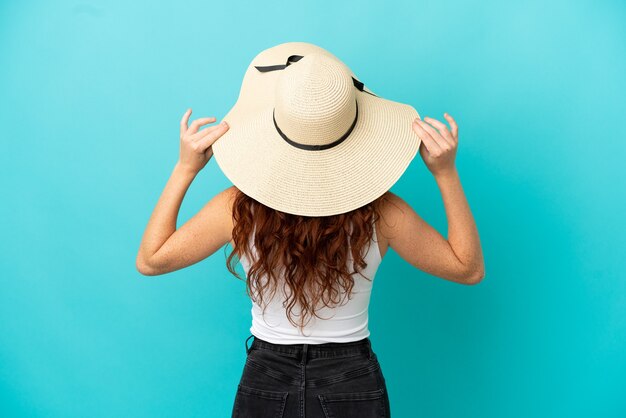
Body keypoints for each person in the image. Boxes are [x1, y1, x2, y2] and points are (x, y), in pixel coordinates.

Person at [136, 42, 484, 418]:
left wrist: (185, 169)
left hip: (266, 376)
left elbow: (152, 260)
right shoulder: (383, 214)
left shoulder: (236, 209)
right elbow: (467, 268)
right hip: (352, 380)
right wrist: (445, 173)